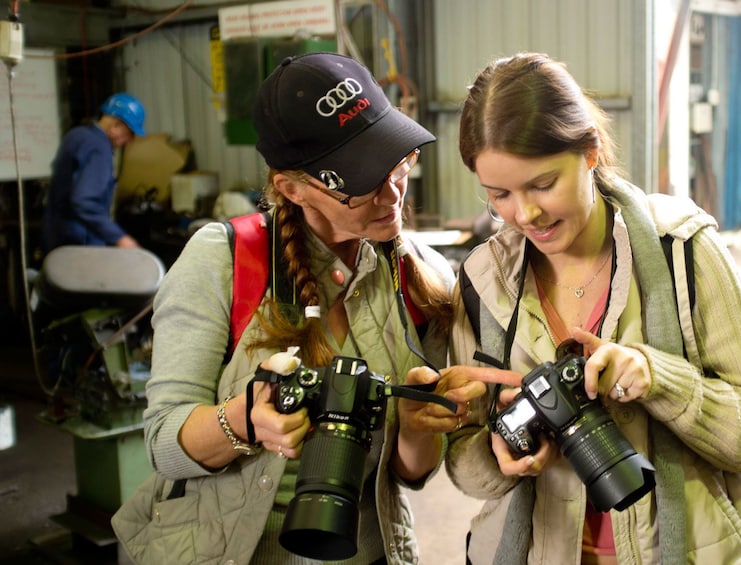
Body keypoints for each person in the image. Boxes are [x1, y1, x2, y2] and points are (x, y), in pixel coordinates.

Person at [112, 52, 479, 564]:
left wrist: (418, 426)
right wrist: (244, 420)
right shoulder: (223, 261)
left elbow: (411, 476)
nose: (391, 190)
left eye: (395, 161)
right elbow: (164, 445)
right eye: (359, 178)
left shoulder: (424, 280)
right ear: (291, 187)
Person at [445, 52, 741, 564]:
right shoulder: (483, 281)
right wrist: (498, 452)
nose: (526, 214)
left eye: (543, 184)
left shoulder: (683, 251)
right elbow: (461, 460)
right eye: (499, 195)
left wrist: (656, 378)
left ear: (589, 151)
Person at [42, 92, 146, 252]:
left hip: (58, 240)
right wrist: (119, 237)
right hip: (80, 244)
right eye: (129, 133)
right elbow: (85, 201)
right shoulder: (99, 148)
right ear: (116, 125)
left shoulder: (76, 135)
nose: (129, 141)